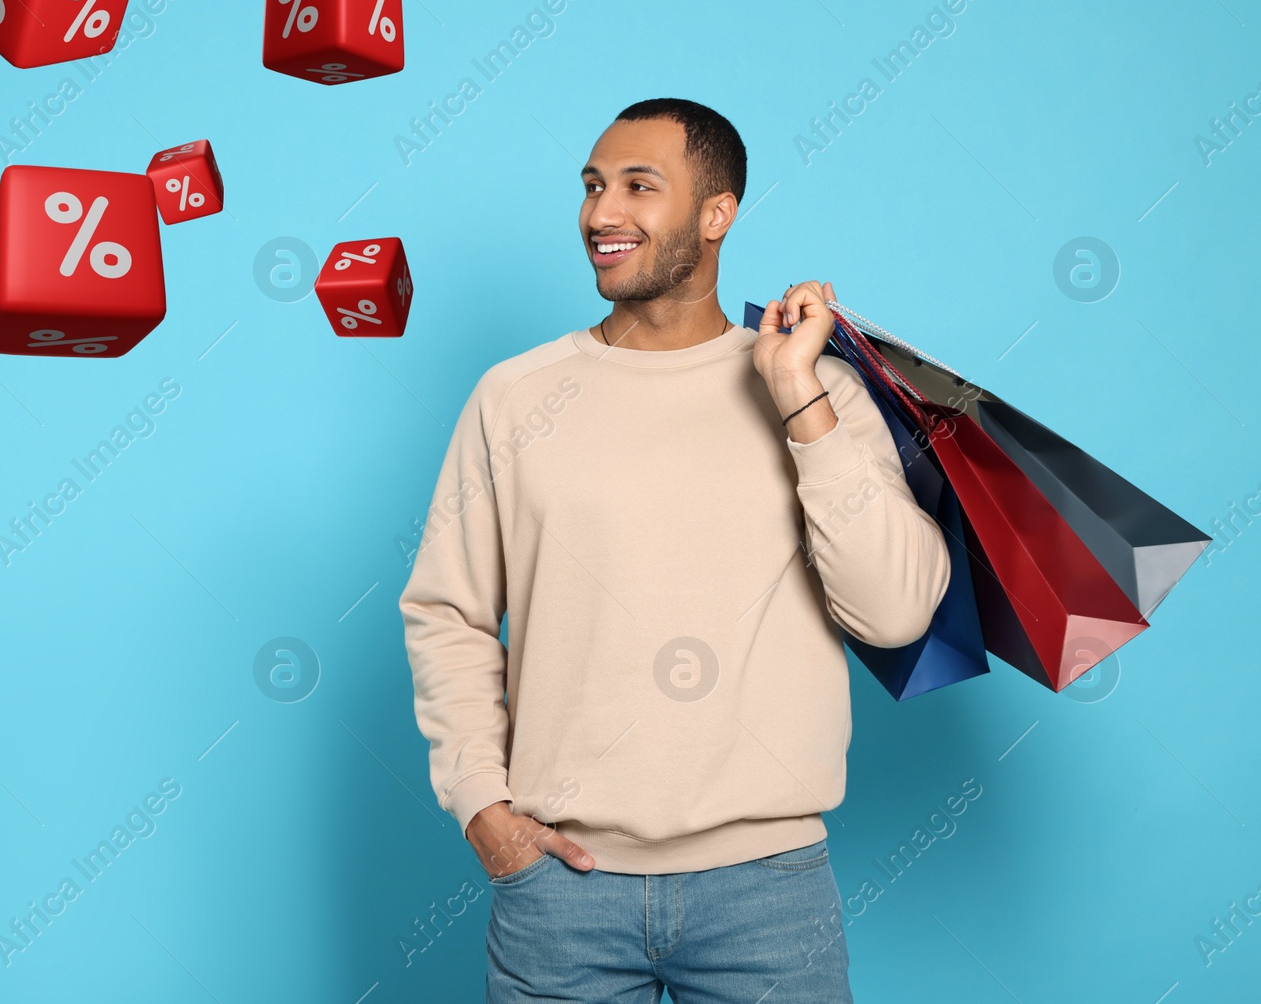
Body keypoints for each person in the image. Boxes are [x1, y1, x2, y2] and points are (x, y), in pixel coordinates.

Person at [399, 97, 951, 1002]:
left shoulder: (816, 390)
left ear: (716, 211)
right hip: (556, 896)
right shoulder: (514, 396)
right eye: (591, 187)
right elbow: (446, 611)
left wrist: (797, 398)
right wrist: (483, 810)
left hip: (768, 892)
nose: (600, 214)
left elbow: (893, 611)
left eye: (638, 186)